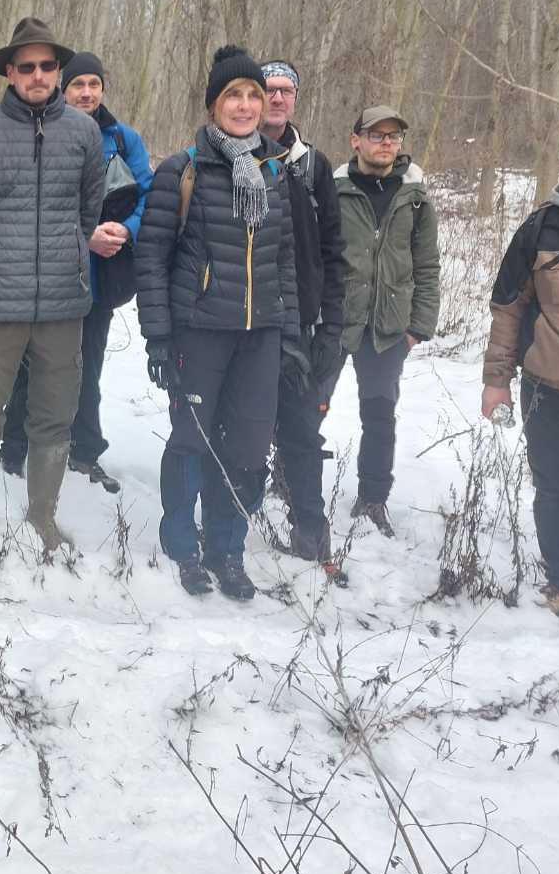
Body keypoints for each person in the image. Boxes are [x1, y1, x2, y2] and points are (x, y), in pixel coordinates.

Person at [136, 45, 301, 599]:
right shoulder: (182, 171)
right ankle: (183, 547)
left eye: (254, 95)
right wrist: (159, 338)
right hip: (199, 330)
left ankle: (228, 549)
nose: (246, 105)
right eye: (234, 95)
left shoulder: (274, 171)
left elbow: (284, 261)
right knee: (192, 440)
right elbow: (151, 256)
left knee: (250, 449)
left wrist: (290, 336)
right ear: (214, 105)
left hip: (261, 335)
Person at [0, 18, 105, 552]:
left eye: (47, 65)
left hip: (62, 301)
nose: (38, 75)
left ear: (58, 70)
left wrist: (68, 254)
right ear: (10, 72)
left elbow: (88, 211)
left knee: (55, 416)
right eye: (27, 66)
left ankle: (43, 517)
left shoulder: (84, 134)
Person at [0, 51, 152, 491]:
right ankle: (15, 449)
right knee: (30, 366)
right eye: (78, 84)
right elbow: (33, 201)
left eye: (94, 84)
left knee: (88, 367)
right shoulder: (45, 131)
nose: (86, 92)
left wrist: (126, 229)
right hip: (45, 276)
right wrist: (84, 235)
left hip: (97, 280)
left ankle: (85, 452)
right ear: (64, 89)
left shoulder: (123, 139)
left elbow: (148, 194)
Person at [483, 120, 559, 618]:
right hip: (550, 387)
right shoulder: (539, 228)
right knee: (555, 490)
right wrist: (496, 380)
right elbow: (508, 307)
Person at [246, 59, 346, 565]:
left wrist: (332, 326)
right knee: (241, 429)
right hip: (246, 321)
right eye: (269, 89)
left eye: (287, 90)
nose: (278, 98)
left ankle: (311, 534)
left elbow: (333, 251)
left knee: (302, 435)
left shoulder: (314, 166)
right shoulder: (230, 156)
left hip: (301, 325)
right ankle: (230, 528)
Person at [332, 105, 440, 536]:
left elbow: (426, 264)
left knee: (379, 416)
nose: (386, 143)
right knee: (306, 407)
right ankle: (287, 482)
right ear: (356, 140)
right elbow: (315, 256)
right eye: (376, 135)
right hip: (336, 321)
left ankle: (373, 498)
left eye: (393, 136)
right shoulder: (334, 190)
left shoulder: (415, 198)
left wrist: (418, 326)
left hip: (388, 329)